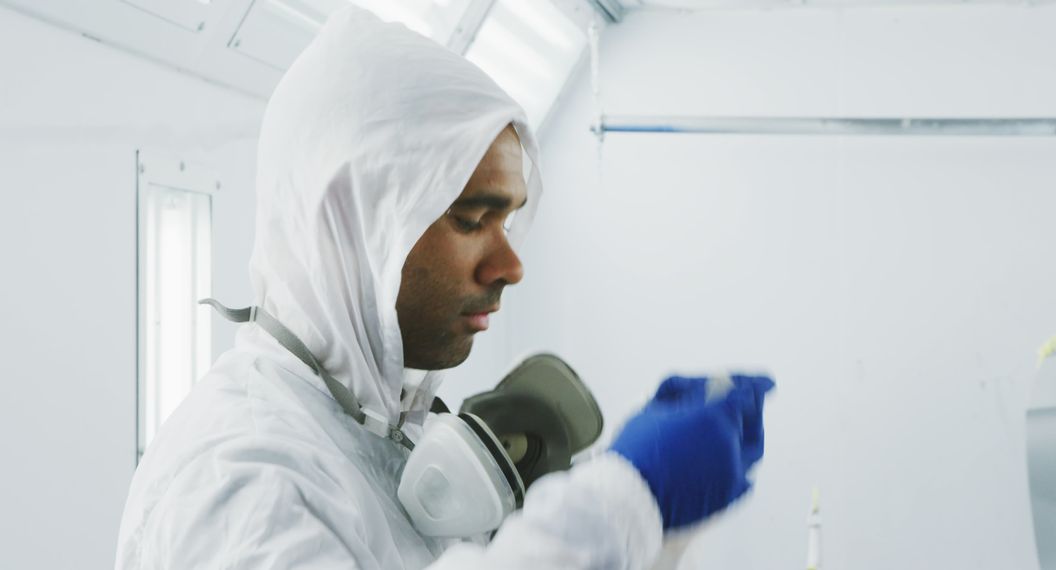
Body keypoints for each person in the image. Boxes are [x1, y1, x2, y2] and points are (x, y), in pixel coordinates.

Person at [114, 6, 772, 570]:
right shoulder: (233, 485)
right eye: (471, 219)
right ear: (352, 224)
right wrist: (625, 501)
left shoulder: (381, 425)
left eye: (509, 219)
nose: (511, 265)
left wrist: (665, 527)